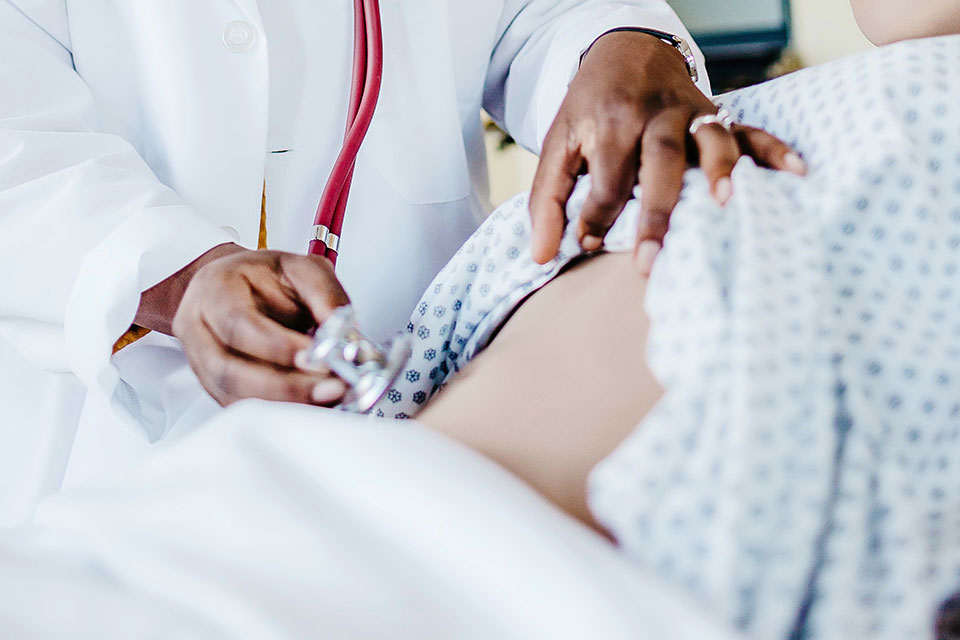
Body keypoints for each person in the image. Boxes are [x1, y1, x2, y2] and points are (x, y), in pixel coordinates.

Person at [0, 1, 796, 523]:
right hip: (101, 461)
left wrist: (621, 42)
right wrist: (179, 275)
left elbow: (548, 13)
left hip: (434, 453)